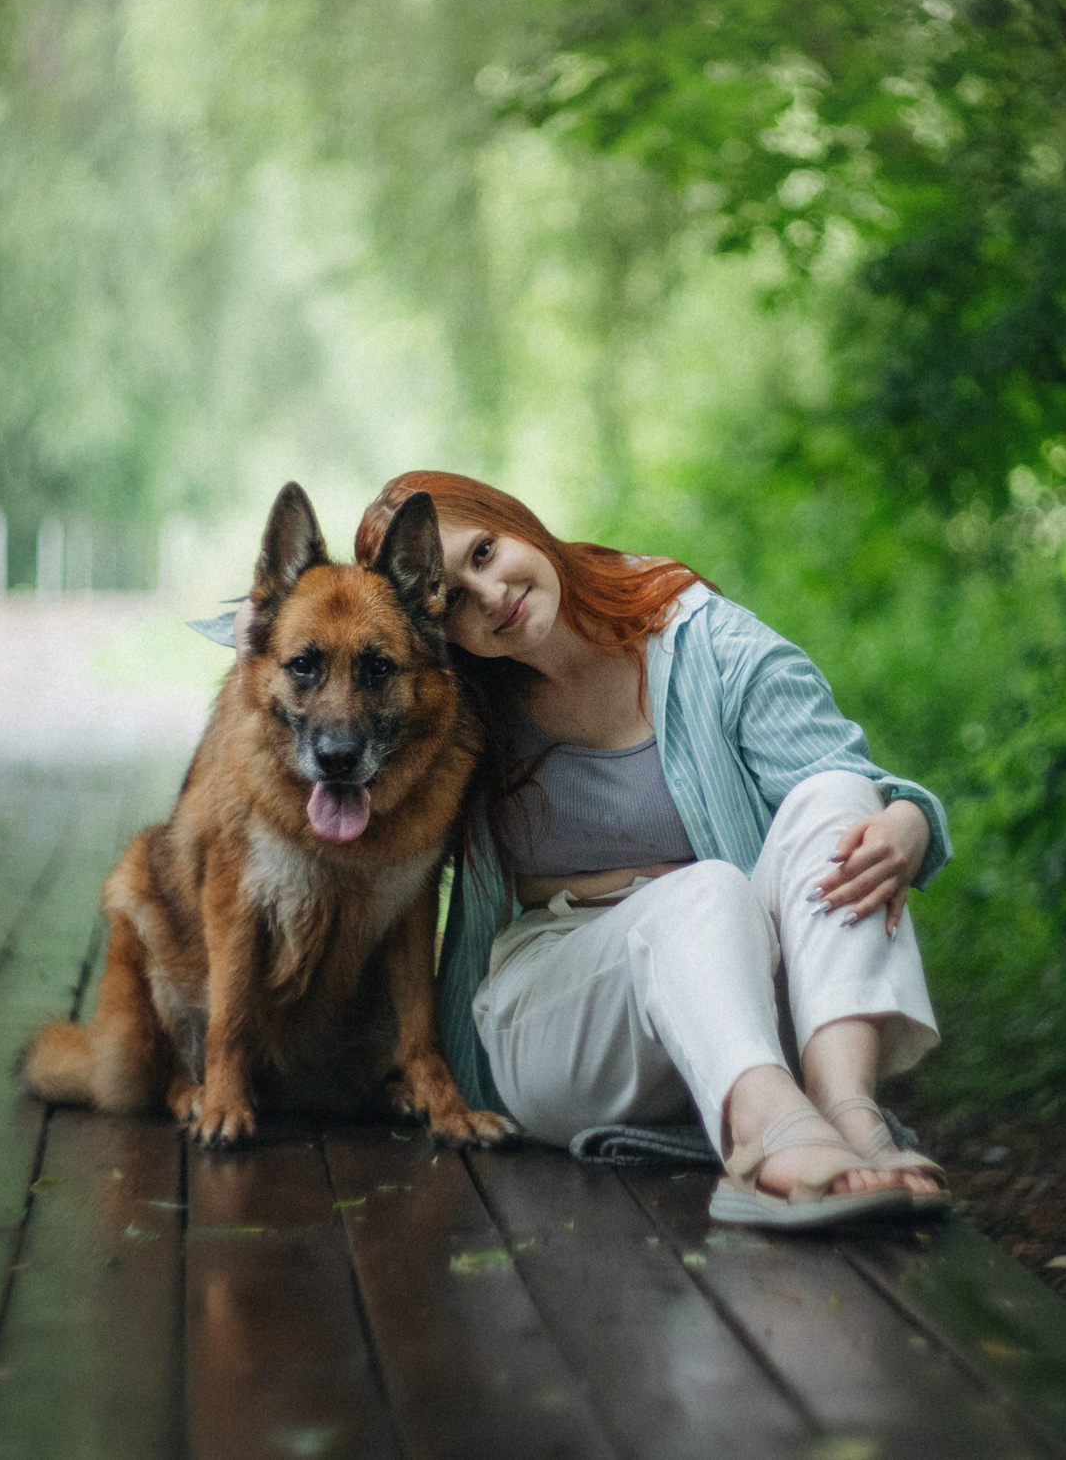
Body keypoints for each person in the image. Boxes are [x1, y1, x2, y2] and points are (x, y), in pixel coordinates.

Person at [350, 471, 952, 1227]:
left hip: (733, 988)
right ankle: (767, 1133)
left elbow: (839, 774)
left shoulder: (696, 635)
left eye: (485, 551)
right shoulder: (452, 706)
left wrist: (911, 820)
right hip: (560, 1013)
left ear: (518, 522)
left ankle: (845, 1110)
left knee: (833, 797)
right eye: (456, 600)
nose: (491, 593)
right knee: (708, 890)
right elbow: (338, 766)